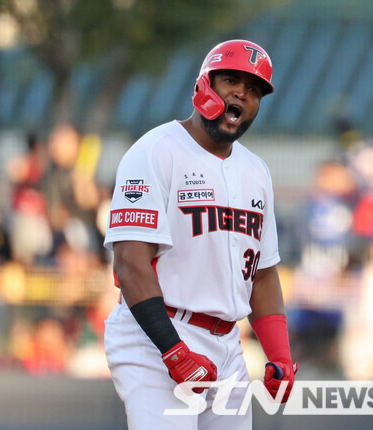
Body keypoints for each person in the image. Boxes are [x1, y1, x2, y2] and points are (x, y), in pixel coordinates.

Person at [103, 40, 297, 430]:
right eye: (231, 80)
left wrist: (279, 354)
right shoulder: (156, 151)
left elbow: (263, 272)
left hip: (228, 345)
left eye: (255, 90)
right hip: (156, 337)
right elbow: (130, 263)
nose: (243, 93)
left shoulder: (256, 171)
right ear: (203, 85)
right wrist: (173, 351)